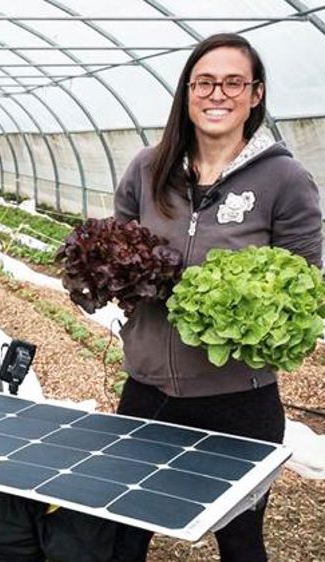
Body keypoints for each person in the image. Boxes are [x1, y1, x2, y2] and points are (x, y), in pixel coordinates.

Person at [112, 33, 322, 561]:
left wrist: (247, 313)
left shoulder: (284, 178)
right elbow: (118, 250)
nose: (217, 94)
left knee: (241, 538)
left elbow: (305, 282)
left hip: (239, 398)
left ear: (255, 95)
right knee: (122, 531)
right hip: (148, 388)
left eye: (233, 82)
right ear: (187, 92)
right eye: (204, 82)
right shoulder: (148, 167)